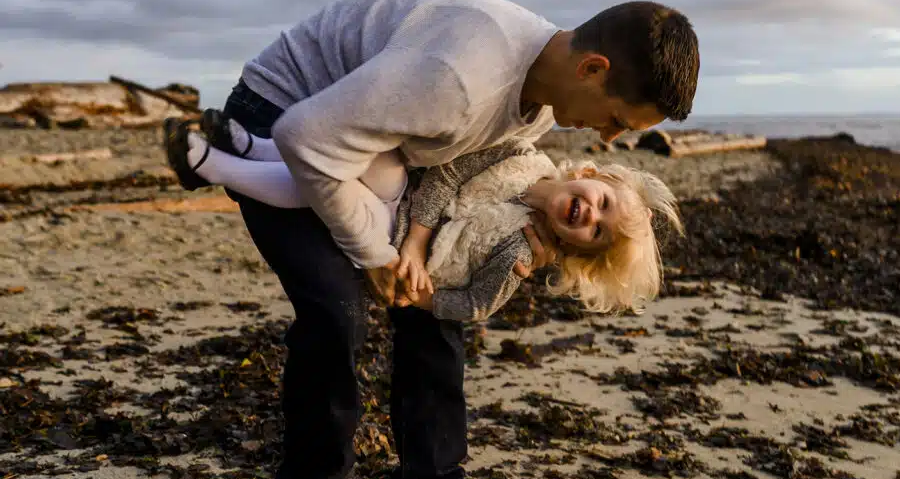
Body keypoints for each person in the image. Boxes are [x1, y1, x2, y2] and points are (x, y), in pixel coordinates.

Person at [172, 0, 699, 479]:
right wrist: (374, 256)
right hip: (287, 114)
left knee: (432, 313)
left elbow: (461, 169)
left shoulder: (548, 93)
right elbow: (306, 139)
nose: (608, 140)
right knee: (336, 315)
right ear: (593, 68)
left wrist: (442, 259)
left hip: (379, 147)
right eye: (615, 119)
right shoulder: (460, 75)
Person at [166, 114, 682, 322]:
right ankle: (254, 145)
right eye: (602, 204)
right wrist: (419, 238)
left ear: (578, 249)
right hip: (410, 198)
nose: (589, 216)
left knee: (331, 190)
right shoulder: (525, 156)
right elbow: (449, 175)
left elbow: (479, 304)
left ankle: (210, 165)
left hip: (389, 238)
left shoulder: (521, 251)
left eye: (596, 233)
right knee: (369, 154)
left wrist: (425, 296)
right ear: (592, 172)